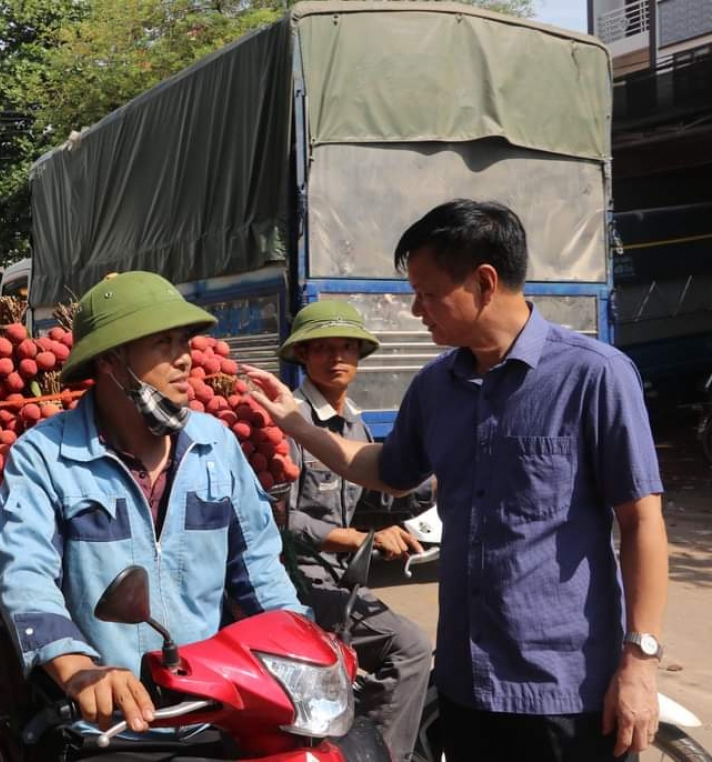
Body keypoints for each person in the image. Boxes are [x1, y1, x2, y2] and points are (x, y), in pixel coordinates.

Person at [246, 199, 668, 762]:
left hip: (568, 689)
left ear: (485, 281)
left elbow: (641, 521)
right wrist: (297, 424)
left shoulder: (593, 376)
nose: (416, 308)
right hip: (468, 685)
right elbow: (387, 472)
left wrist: (640, 662)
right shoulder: (435, 387)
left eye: (427, 292)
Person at [0, 271, 310, 756]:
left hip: (215, 711)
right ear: (111, 360)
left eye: (184, 340)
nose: (184, 358)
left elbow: (259, 570)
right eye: (162, 343)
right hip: (107, 730)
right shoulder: (44, 457)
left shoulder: (216, 445)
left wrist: (299, 643)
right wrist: (79, 669)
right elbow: (25, 577)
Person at [276, 300, 432, 762]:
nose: (336, 357)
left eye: (347, 347)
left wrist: (443, 477)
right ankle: (375, 755)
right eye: (321, 348)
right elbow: (278, 518)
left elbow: (376, 497)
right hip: (297, 581)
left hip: (340, 578)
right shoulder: (289, 421)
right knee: (410, 648)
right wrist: (359, 539)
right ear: (302, 356)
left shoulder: (355, 424)